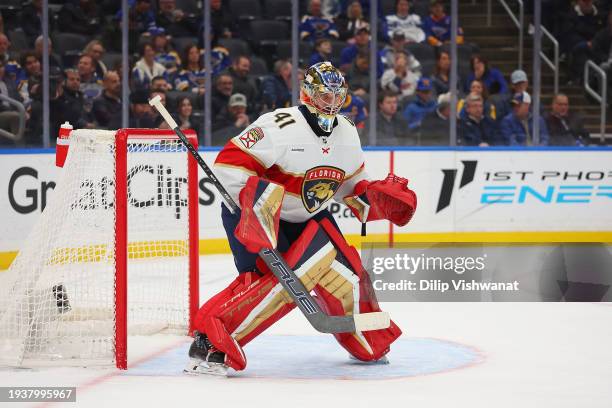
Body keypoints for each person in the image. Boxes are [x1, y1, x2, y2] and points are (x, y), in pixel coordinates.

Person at [185, 62, 413, 376]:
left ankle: (366, 339)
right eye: (323, 94)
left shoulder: (347, 132)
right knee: (271, 282)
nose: (331, 102)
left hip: (308, 215)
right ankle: (209, 342)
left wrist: (373, 199)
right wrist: (259, 207)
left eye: (337, 94)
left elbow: (349, 186)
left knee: (348, 271)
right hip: (261, 214)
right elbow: (229, 167)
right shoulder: (279, 125)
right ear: (306, 92)